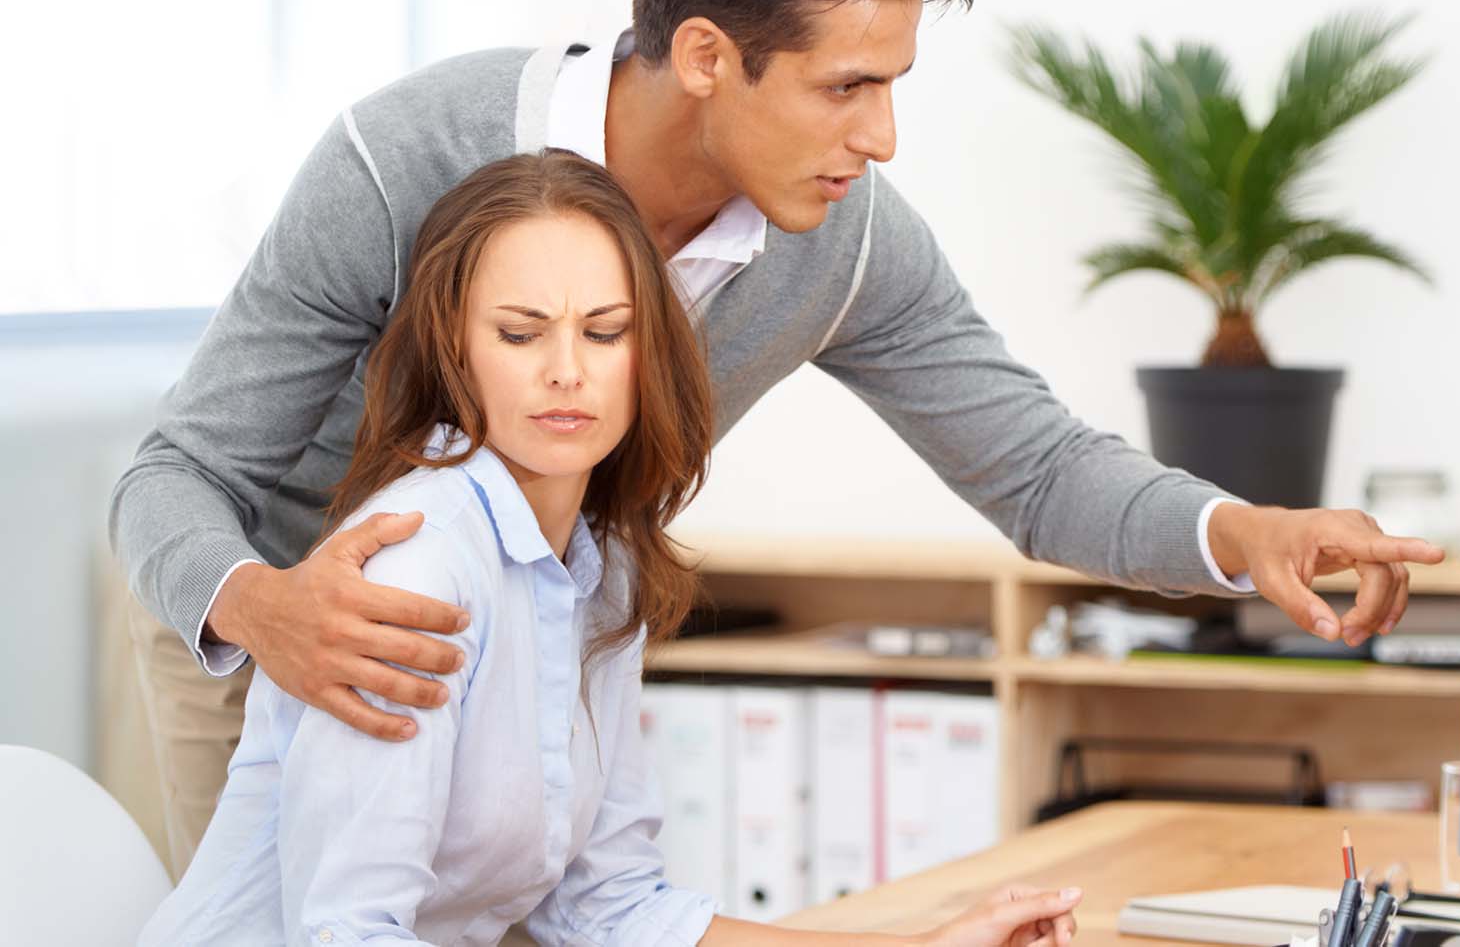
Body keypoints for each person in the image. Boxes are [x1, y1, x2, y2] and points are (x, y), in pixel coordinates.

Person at [113, 0, 1445, 876]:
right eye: (844, 87)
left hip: (526, 658)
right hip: (289, 646)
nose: (880, 137)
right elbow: (169, 478)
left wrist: (1243, 533)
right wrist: (265, 610)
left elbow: (1034, 470)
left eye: (893, 86)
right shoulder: (406, 158)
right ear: (706, 56)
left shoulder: (846, 240)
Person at [140, 150, 1082, 947]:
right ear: (455, 351)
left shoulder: (603, 563)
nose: (566, 370)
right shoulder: (414, 564)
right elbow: (349, 929)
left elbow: (613, 909)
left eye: (605, 331)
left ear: (649, 353)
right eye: (520, 333)